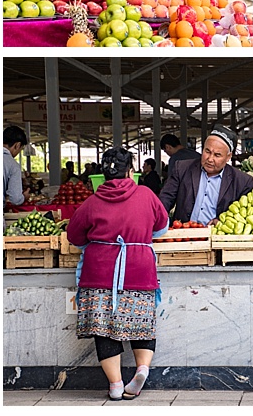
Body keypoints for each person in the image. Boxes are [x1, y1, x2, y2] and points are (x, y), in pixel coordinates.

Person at [67, 148, 168, 401]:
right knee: (141, 325)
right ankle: (142, 369)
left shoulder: (91, 202)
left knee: (104, 330)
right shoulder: (146, 194)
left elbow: (74, 237)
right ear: (130, 171)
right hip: (139, 269)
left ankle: (114, 385)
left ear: (102, 174)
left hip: (99, 272)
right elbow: (163, 226)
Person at [158, 128, 253, 224]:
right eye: (207, 151)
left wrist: (221, 221)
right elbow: (166, 198)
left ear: (228, 157)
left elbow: (243, 215)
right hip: (184, 233)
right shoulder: (182, 168)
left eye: (217, 155)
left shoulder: (242, 181)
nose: (210, 159)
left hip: (217, 236)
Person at [4, 124, 27, 206]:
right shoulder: (13, 165)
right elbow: (15, 199)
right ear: (17, 145)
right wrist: (24, 197)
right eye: (20, 149)